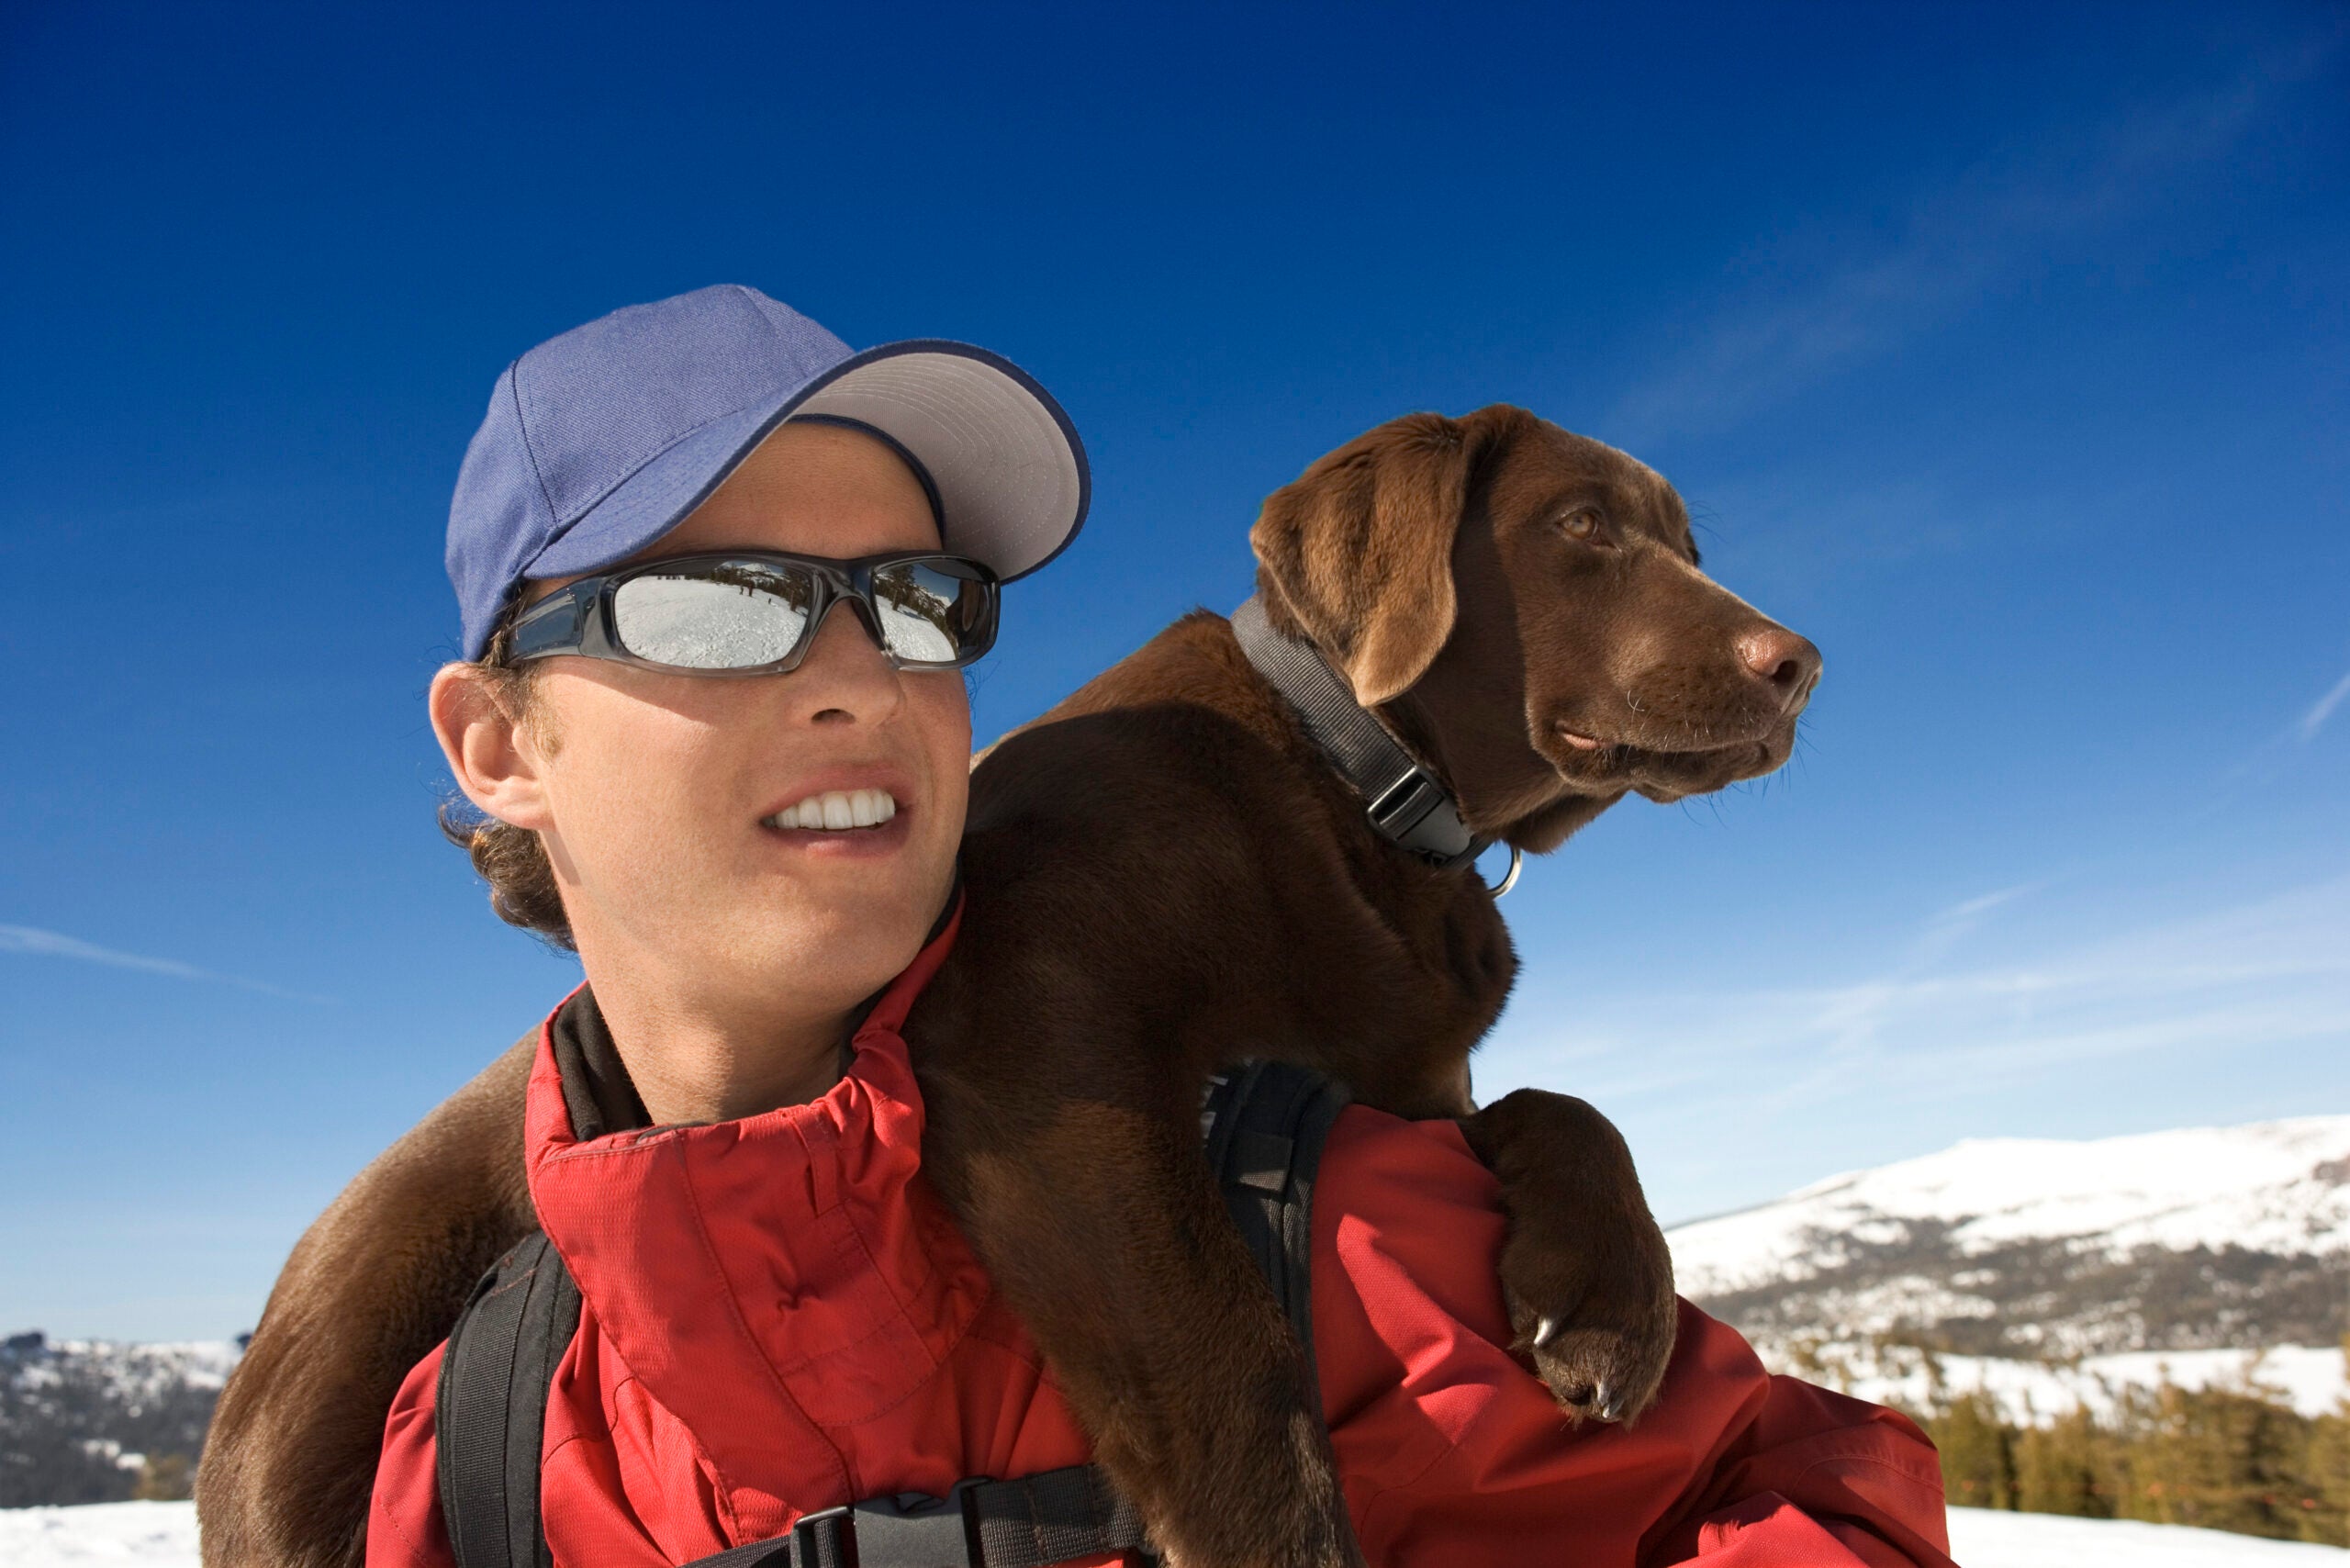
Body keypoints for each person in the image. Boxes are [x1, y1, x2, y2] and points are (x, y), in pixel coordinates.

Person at [366, 285, 1954, 1567]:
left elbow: (1790, 1496)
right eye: (716, 607)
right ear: (499, 749)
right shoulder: (466, 1448)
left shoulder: (1342, 1243)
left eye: (916, 602)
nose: (860, 678)